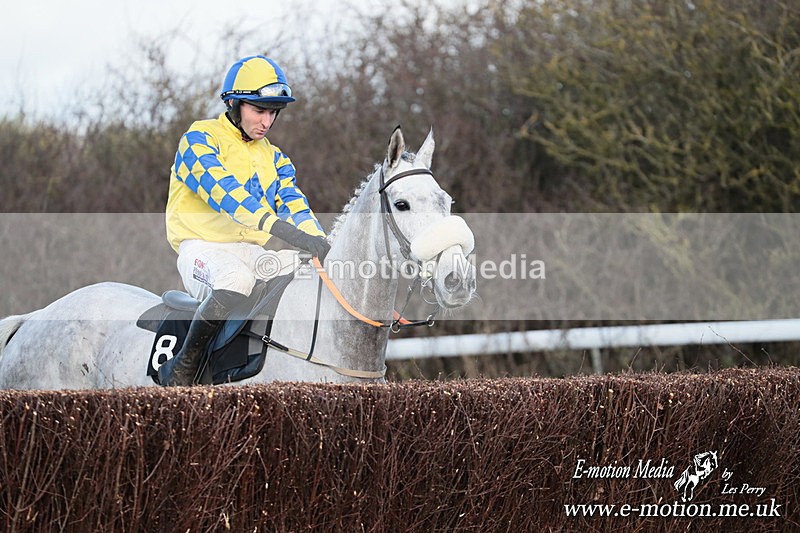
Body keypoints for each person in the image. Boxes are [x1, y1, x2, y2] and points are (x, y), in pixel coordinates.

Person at [158, 55, 331, 387]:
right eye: (259, 110)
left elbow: (295, 205)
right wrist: (282, 230)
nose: (266, 122)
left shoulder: (276, 157)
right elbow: (228, 196)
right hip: (201, 251)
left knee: (304, 271)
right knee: (236, 279)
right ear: (234, 104)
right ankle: (183, 367)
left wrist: (320, 242)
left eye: (272, 113)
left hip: (251, 252)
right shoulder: (199, 139)